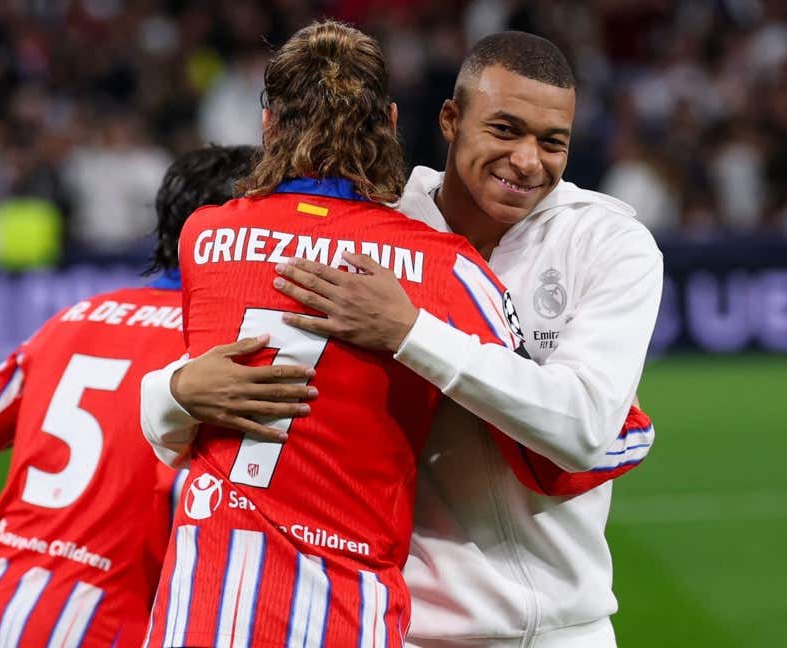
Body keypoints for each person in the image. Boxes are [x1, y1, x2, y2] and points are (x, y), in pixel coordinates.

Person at [143, 32, 663, 647]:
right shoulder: (384, 228)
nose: (527, 160)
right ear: (450, 119)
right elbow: (213, 381)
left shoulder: (608, 243)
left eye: (552, 143)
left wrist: (409, 332)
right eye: (504, 130)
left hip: (565, 630)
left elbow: (582, 431)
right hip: (410, 625)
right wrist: (175, 391)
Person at [0, 144, 283, 648]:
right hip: (113, 622)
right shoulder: (223, 352)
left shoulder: (74, 317)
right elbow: (186, 499)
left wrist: (10, 555)